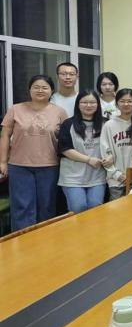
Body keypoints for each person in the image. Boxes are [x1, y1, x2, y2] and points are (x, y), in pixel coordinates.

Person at [0, 75, 67, 230]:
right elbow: (5, 136)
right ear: (29, 90)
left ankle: (45, 239)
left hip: (49, 166)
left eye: (44, 87)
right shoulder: (15, 109)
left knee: (47, 206)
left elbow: (66, 140)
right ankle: (22, 240)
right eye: (36, 87)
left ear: (52, 91)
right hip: (19, 165)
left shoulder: (60, 112)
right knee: (22, 207)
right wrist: (2, 161)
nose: (40, 90)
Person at [58, 90, 109, 213]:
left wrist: (110, 157)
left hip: (97, 176)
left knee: (95, 208)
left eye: (92, 102)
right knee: (78, 208)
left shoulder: (106, 123)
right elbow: (65, 149)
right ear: (78, 104)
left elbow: (112, 146)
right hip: (72, 177)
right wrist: (88, 159)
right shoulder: (68, 124)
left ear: (98, 104)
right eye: (84, 102)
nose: (88, 105)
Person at [100, 89, 132, 200]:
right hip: (116, 180)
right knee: (117, 210)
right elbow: (105, 154)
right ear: (117, 103)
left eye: (130, 101)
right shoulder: (109, 125)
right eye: (122, 101)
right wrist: (117, 175)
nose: (126, 104)